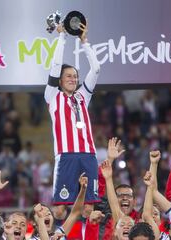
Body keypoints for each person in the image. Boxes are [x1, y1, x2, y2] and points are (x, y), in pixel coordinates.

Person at [44, 20, 101, 217]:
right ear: (59, 80)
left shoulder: (82, 96)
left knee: (88, 210)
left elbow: (95, 69)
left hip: (88, 155)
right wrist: (62, 37)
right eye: (68, 76)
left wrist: (84, 42)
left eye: (75, 76)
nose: (73, 79)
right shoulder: (52, 96)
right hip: (65, 155)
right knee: (59, 211)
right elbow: (56, 64)